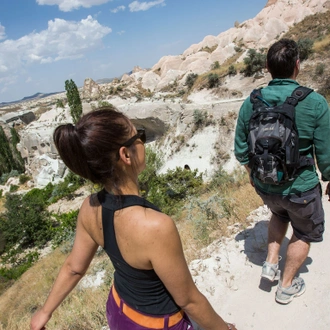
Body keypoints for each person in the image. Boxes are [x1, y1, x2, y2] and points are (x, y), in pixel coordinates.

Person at [30, 107, 236, 330]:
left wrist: (44, 312)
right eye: (139, 136)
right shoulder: (155, 225)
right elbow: (189, 300)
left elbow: (74, 268)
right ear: (125, 155)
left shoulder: (89, 208)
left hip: (118, 309)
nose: (142, 142)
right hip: (157, 324)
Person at [234, 38, 330, 304]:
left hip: (266, 186)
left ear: (267, 67)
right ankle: (286, 286)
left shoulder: (250, 102)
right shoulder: (315, 103)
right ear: (297, 66)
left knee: (278, 212)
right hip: (301, 189)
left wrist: (252, 175)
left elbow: (241, 150)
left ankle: (270, 263)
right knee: (304, 232)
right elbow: (326, 154)